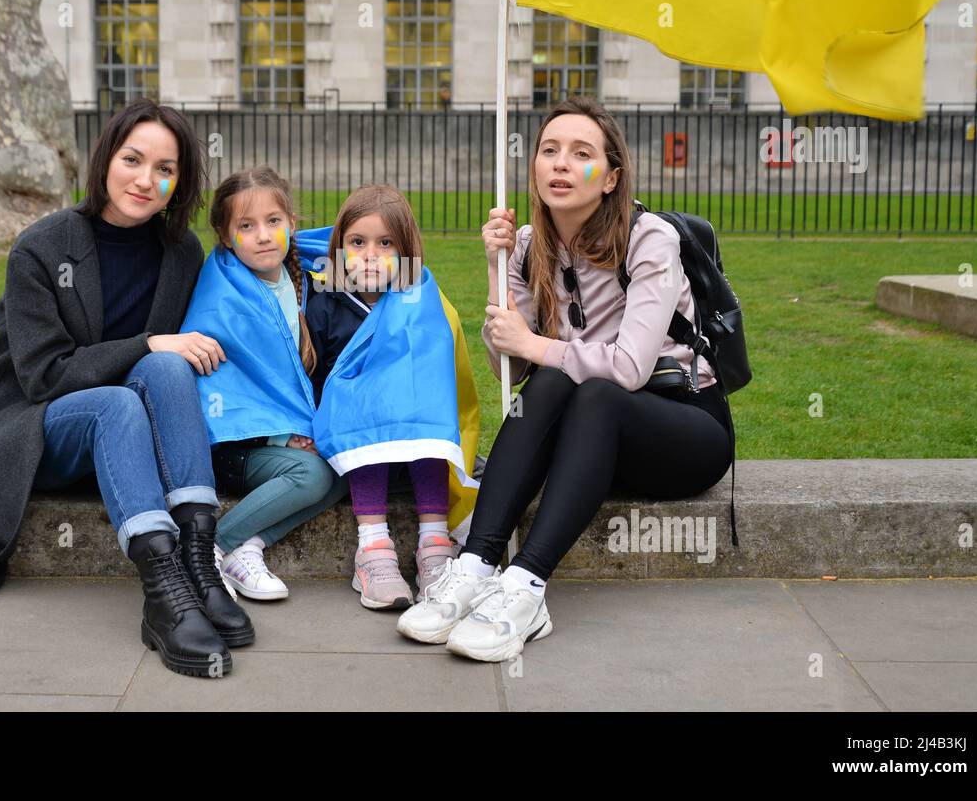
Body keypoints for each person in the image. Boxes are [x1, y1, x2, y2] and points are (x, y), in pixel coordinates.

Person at [0, 98, 253, 678]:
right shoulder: (41, 247)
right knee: (130, 386)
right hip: (37, 428)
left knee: (168, 368)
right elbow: (43, 376)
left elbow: (235, 316)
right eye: (132, 159)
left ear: (180, 182)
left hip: (128, 438)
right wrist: (147, 343)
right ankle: (163, 593)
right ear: (106, 158)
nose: (145, 179)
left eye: (165, 169)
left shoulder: (180, 252)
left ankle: (198, 562)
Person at [397, 96, 735, 662]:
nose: (560, 163)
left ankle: (527, 589)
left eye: (581, 153)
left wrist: (536, 345)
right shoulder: (531, 244)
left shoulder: (651, 238)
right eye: (549, 150)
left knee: (595, 388)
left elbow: (629, 368)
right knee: (551, 382)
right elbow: (513, 367)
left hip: (683, 431)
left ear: (610, 177)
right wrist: (497, 266)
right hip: (592, 439)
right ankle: (477, 565)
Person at [183, 166, 349, 600]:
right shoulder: (223, 295)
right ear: (224, 235)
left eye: (273, 221)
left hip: (284, 438)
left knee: (350, 466)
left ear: (292, 224)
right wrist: (282, 438)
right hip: (236, 448)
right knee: (311, 474)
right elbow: (220, 389)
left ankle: (248, 547)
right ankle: (207, 549)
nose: (263, 235)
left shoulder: (304, 279)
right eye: (246, 226)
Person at [304, 184, 462, 610]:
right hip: (353, 443)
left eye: (386, 243)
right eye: (357, 242)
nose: (370, 254)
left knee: (421, 411)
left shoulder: (417, 301)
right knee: (367, 419)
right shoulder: (324, 306)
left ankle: (433, 545)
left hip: (412, 441)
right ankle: (373, 551)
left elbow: (431, 375)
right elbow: (312, 376)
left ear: (407, 250)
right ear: (338, 249)